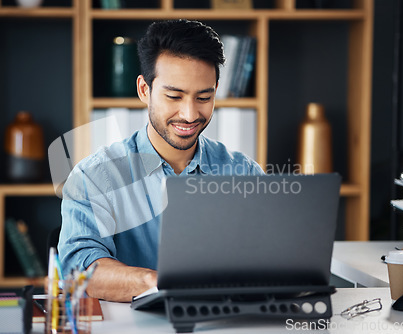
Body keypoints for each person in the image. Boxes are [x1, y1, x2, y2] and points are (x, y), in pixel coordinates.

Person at [58, 19, 264, 302]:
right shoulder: (95, 176)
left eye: (204, 97)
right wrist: (158, 283)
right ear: (145, 90)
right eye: (174, 96)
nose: (190, 114)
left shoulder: (243, 172)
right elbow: (78, 270)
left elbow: (268, 260)